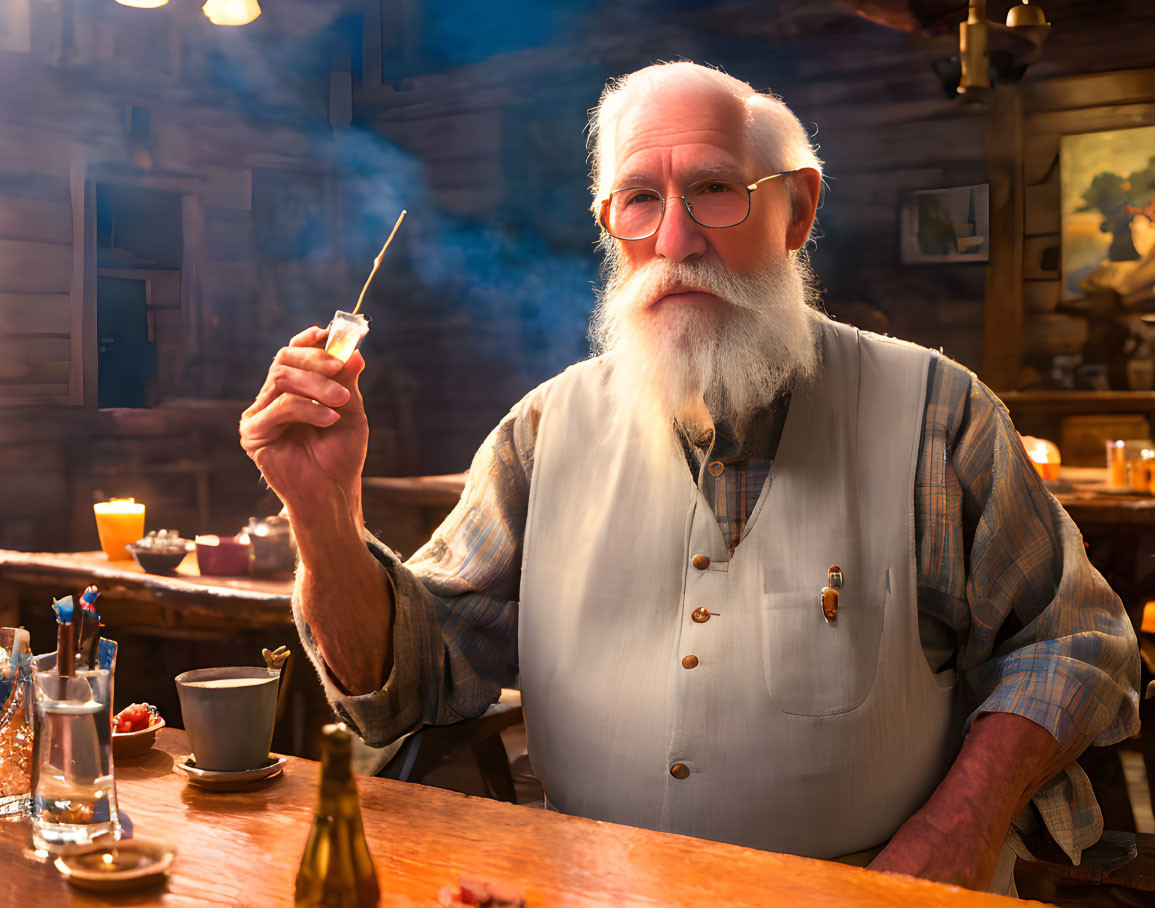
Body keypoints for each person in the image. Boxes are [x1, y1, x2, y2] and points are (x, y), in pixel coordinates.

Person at [240, 62, 1139, 895]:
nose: (674, 240)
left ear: (796, 208)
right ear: (609, 228)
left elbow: (1073, 642)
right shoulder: (542, 432)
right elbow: (401, 686)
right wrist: (321, 513)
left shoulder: (938, 414)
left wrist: (955, 832)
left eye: (713, 189)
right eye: (639, 199)